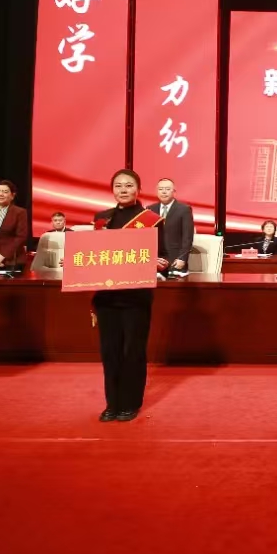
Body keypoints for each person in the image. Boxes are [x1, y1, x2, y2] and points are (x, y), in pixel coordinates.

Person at [93, 169, 163, 422]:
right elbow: (94, 254)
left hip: (136, 297)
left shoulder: (151, 220)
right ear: (112, 190)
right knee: (109, 351)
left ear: (138, 189)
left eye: (128, 185)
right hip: (107, 296)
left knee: (133, 350)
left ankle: (130, 403)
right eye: (118, 186)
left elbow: (163, 255)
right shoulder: (101, 220)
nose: (123, 190)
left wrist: (159, 262)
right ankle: (112, 403)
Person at [147, 178, 194, 273]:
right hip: (155, 260)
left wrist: (182, 258)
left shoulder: (184, 209)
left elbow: (187, 237)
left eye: (167, 189)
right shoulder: (150, 209)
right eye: (161, 189)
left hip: (175, 260)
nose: (164, 192)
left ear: (174, 192)